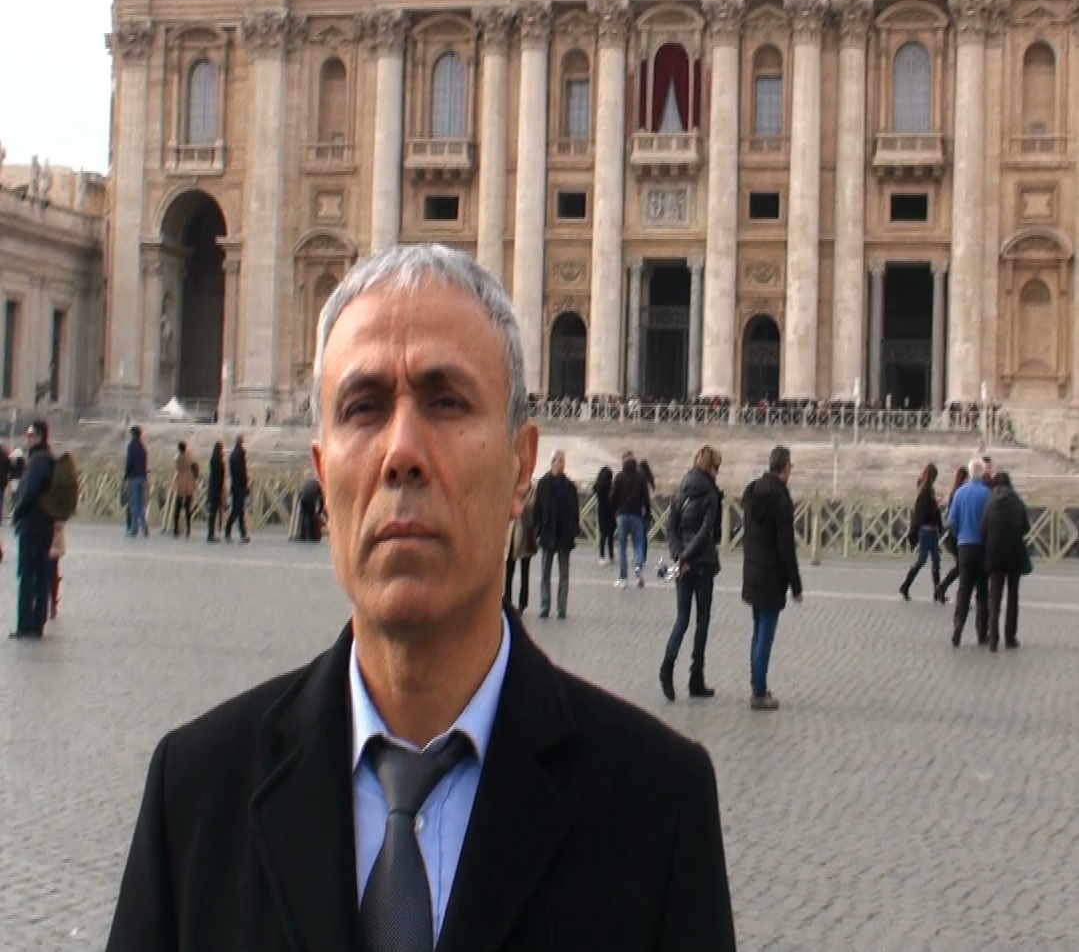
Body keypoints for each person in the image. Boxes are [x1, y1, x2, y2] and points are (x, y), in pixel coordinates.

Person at [107, 243, 737, 952]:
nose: (401, 450)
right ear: (321, 474)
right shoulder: (189, 795)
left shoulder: (659, 806)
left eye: (445, 401)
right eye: (364, 406)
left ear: (520, 465)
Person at [741, 445, 803, 711]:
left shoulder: (753, 491)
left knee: (758, 631)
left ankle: (757, 683)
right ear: (785, 468)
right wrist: (796, 585)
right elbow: (785, 546)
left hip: (753, 571)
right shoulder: (781, 499)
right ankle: (758, 691)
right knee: (765, 633)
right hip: (771, 576)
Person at [661, 445, 722, 702]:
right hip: (702, 563)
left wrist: (678, 556)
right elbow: (706, 532)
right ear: (710, 467)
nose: (718, 473)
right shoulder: (710, 493)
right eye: (717, 468)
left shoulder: (681, 488)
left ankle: (667, 666)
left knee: (682, 618)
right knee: (702, 620)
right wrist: (686, 557)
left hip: (683, 564)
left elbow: (670, 527)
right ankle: (696, 676)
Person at [9, 421, 56, 640]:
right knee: (41, 576)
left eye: (29, 435)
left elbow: (28, 493)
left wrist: (16, 512)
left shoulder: (37, 461)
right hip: (46, 525)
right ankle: (38, 624)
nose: (26, 439)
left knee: (27, 576)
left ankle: (25, 625)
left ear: (38, 437)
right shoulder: (50, 459)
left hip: (32, 525)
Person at [980, 470, 1029, 652]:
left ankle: (993, 639)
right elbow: (1026, 527)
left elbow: (983, 529)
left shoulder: (990, 503)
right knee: (1013, 597)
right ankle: (1010, 637)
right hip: (1014, 553)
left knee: (995, 597)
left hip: (994, 554)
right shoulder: (1018, 502)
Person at [947, 457, 993, 648]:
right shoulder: (987, 494)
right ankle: (982, 633)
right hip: (982, 547)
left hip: (964, 546)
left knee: (964, 590)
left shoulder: (959, 493)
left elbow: (952, 523)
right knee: (982, 592)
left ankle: (958, 627)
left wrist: (961, 536)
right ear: (982, 474)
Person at [532, 450, 580, 620]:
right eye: (559, 461)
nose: (562, 464)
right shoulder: (543, 484)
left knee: (564, 575)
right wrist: (538, 530)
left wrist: (574, 530)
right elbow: (536, 509)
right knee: (545, 573)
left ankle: (562, 608)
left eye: (563, 461)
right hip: (548, 534)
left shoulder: (570, 486)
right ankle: (545, 606)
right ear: (553, 463)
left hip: (565, 536)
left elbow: (575, 512)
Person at [899, 463, 943, 602]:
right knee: (923, 560)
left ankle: (937, 591)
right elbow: (924, 513)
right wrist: (935, 506)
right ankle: (906, 585)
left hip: (928, 531)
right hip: (927, 530)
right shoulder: (926, 493)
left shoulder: (926, 491)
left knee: (935, 560)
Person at [611, 451, 649, 589]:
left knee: (622, 547)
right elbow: (646, 497)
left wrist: (614, 511)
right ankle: (638, 566)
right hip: (637, 514)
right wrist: (648, 514)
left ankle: (623, 578)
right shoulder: (641, 477)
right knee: (638, 544)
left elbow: (612, 497)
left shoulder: (619, 477)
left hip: (622, 515)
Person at [503, 479, 537, 612]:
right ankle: (508, 600)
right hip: (511, 535)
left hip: (525, 535)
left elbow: (533, 509)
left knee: (525, 571)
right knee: (509, 571)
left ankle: (523, 602)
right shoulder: (510, 487)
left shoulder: (532, 489)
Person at [937, 466, 969, 603]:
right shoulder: (959, 494)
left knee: (962, 566)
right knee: (962, 566)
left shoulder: (955, 492)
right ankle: (943, 589)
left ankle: (942, 589)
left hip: (953, 535)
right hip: (955, 536)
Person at [124, 426, 149, 538]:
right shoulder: (143, 448)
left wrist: (126, 476)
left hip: (133, 477)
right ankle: (144, 527)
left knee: (134, 504)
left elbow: (129, 462)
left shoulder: (131, 446)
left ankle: (134, 528)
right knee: (141, 504)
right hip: (143, 477)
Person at [224, 435, 250, 543]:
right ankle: (230, 530)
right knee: (237, 510)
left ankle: (241, 533)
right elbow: (242, 472)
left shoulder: (232, 455)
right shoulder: (240, 455)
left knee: (239, 510)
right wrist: (246, 485)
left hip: (234, 485)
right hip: (239, 486)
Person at [172, 441, 197, 538]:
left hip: (180, 483)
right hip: (189, 482)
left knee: (177, 507)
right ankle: (188, 529)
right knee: (188, 508)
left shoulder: (177, 458)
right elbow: (195, 468)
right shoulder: (190, 457)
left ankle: (176, 528)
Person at [593, 464, 615, 565]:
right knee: (610, 535)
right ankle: (611, 555)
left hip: (601, 511)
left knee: (603, 535)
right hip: (610, 512)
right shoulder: (610, 487)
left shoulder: (598, 486)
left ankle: (602, 556)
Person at [206, 441, 225, 543]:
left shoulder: (213, 460)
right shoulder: (220, 462)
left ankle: (211, 533)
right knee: (215, 512)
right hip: (217, 489)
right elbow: (221, 478)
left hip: (212, 488)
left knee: (212, 512)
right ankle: (212, 534)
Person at [297, 475, 325, 542]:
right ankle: (311, 537)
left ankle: (302, 536)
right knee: (310, 518)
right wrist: (319, 512)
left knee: (303, 517)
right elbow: (321, 501)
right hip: (310, 500)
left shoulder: (310, 482)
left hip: (302, 499)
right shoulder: (320, 485)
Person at [48, 520, 66, 620]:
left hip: (54, 529)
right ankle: (51, 603)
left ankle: (52, 603)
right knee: (52, 570)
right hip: (53, 528)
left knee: (52, 570)